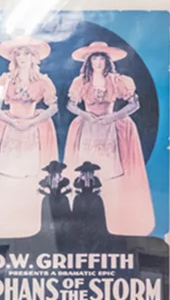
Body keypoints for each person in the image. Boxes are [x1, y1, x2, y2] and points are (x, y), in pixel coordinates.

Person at [62, 41, 155, 236]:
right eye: (94, 58)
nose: (97, 62)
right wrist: (86, 115)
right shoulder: (80, 82)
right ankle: (84, 222)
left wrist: (113, 117)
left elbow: (134, 104)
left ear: (107, 61)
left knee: (110, 171)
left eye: (101, 58)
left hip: (110, 127)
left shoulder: (117, 81)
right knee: (86, 169)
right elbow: (70, 104)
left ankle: (113, 217)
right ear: (89, 61)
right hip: (88, 127)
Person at [0, 38, 59, 239]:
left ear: (34, 57)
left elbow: (54, 107)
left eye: (26, 53)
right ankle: (6, 224)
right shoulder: (5, 80)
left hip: (33, 129)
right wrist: (13, 122)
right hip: (9, 129)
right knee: (8, 174)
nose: (22, 58)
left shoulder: (43, 82)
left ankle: (31, 224)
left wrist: (33, 121)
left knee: (32, 175)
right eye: (19, 54)